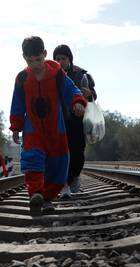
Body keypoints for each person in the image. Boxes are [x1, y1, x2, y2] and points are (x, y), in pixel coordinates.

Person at [10, 36, 87, 215]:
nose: (35, 64)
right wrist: (16, 125)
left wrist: (77, 102)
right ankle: (36, 194)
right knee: (32, 160)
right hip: (32, 129)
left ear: (44, 54)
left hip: (56, 129)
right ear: (24, 58)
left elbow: (71, 89)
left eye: (38, 59)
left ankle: (48, 198)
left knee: (58, 164)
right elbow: (17, 103)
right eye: (30, 60)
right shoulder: (22, 78)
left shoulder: (57, 74)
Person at [53, 44, 97, 199]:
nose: (59, 62)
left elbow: (93, 96)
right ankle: (64, 185)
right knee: (60, 152)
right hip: (58, 120)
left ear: (69, 59)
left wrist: (89, 94)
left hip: (78, 121)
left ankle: (75, 175)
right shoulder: (51, 74)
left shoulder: (81, 74)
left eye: (63, 58)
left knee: (77, 153)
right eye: (57, 59)